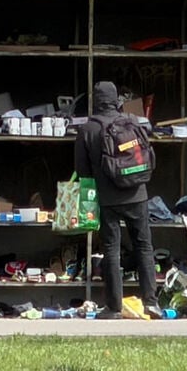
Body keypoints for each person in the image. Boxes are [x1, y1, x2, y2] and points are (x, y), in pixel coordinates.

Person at [75, 81, 162, 320]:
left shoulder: (88, 129)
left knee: (111, 250)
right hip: (137, 195)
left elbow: (82, 171)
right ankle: (151, 304)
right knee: (144, 246)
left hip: (108, 199)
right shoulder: (133, 122)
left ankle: (113, 308)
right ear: (116, 100)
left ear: (95, 100)